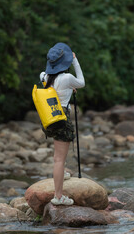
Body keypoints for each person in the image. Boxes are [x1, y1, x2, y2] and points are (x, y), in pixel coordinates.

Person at [39, 43, 85, 205]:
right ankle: (58, 197)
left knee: (58, 156)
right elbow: (81, 82)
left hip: (50, 118)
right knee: (59, 159)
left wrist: (68, 89)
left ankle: (61, 174)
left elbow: (49, 82)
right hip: (62, 119)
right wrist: (75, 61)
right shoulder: (67, 79)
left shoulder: (44, 76)